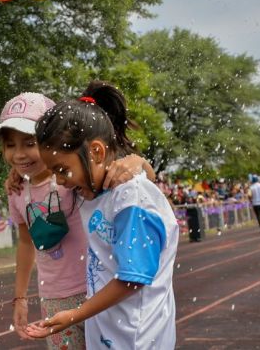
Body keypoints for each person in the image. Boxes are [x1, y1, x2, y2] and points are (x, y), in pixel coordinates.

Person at [0, 90, 155, 349]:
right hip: (54, 298)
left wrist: (139, 162)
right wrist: (20, 297)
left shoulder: (72, 179)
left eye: (29, 143)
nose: (19, 154)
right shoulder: (16, 192)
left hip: (98, 289)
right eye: (10, 145)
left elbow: (127, 178)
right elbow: (26, 243)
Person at [27, 95, 179, 349]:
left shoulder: (132, 198)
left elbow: (134, 278)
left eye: (62, 170)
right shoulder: (92, 190)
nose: (60, 181)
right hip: (111, 333)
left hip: (139, 338)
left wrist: (75, 315)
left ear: (96, 151)